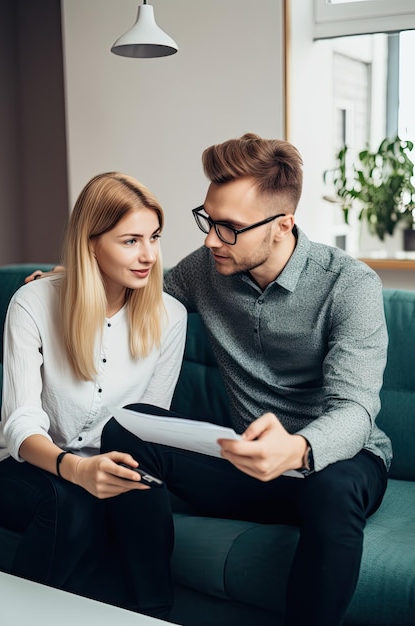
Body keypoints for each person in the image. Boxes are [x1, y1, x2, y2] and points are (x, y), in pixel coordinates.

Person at [22, 133, 392, 626]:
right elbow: (140, 286)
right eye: (208, 219)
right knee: (126, 428)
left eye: (229, 228)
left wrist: (299, 448)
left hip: (334, 464)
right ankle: (149, 612)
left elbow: (356, 408)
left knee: (331, 487)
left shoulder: (351, 286)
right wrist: (75, 274)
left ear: (283, 225)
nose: (210, 239)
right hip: (247, 465)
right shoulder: (206, 270)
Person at [0, 172, 187, 619]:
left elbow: (149, 424)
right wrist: (76, 468)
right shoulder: (33, 303)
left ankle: (154, 613)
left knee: (145, 491)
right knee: (68, 501)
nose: (149, 255)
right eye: (130, 240)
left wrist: (114, 471)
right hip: (21, 464)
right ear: (91, 243)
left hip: (108, 462)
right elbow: (21, 423)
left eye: (154, 237)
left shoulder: (170, 316)